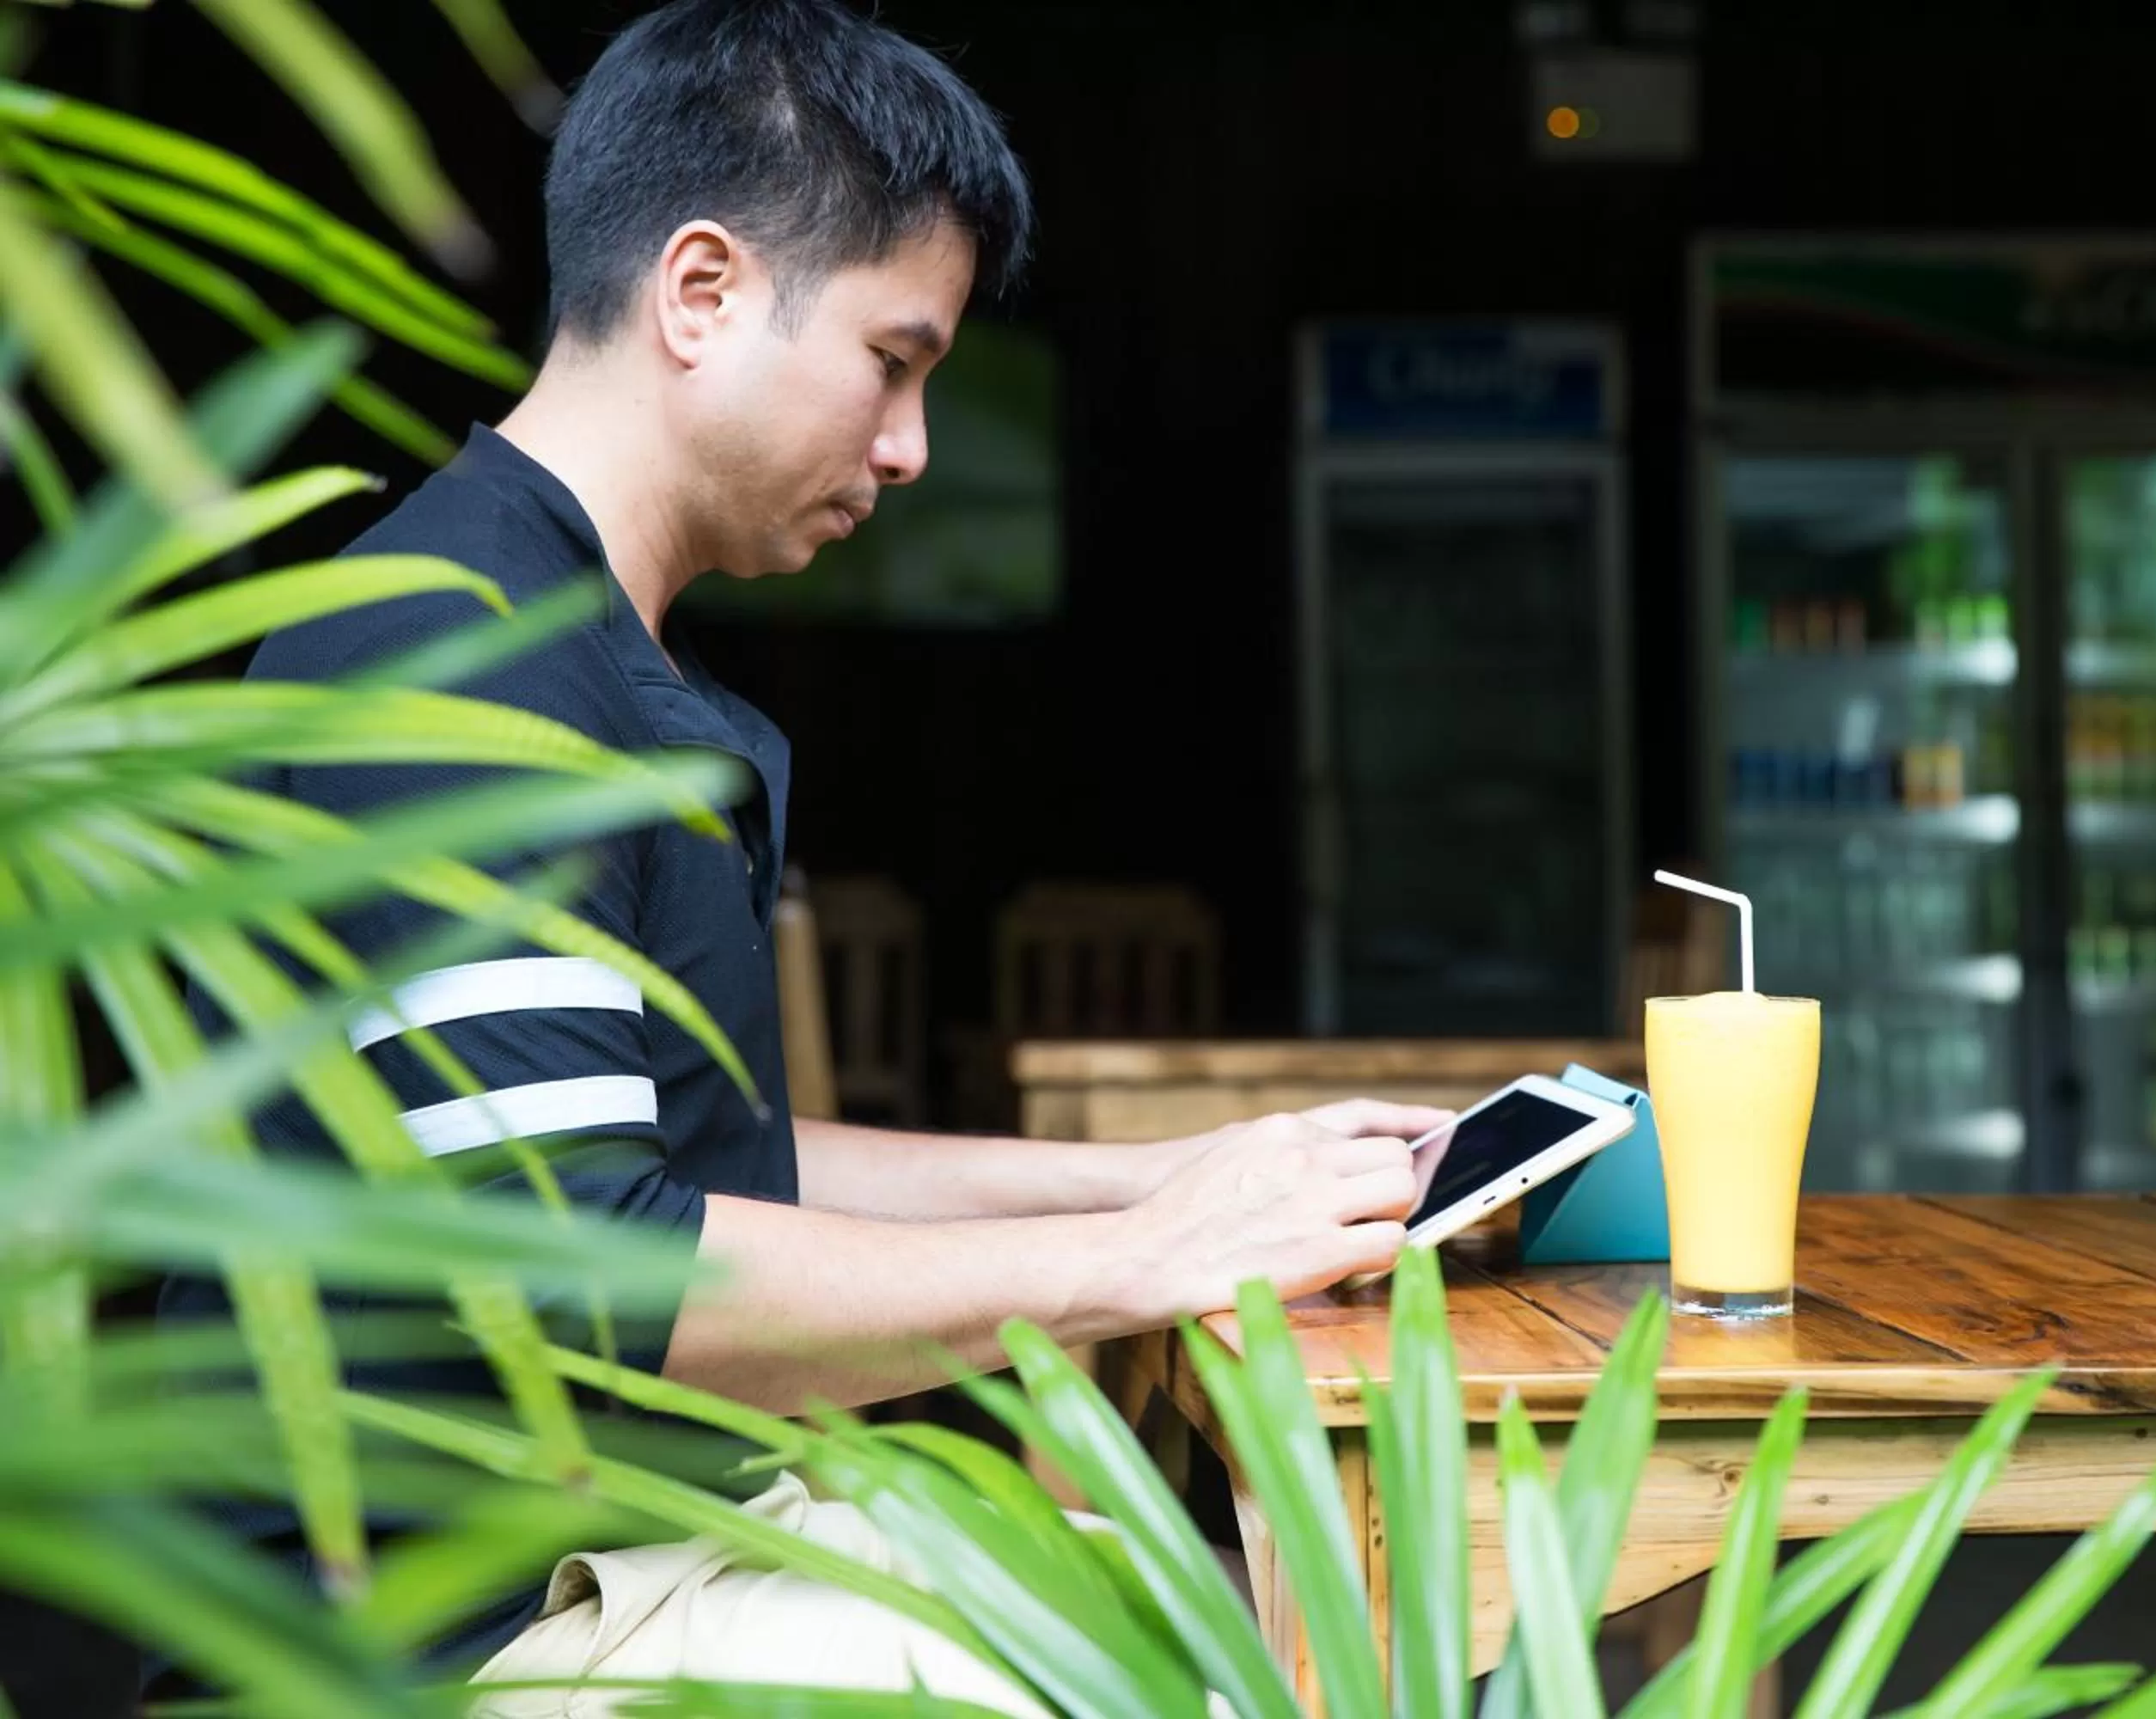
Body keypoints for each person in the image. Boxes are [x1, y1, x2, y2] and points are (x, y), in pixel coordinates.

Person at [158, 0, 1441, 1702]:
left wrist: (1192, 1176)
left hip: (658, 1538)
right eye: (893, 361)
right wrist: (1143, 1260)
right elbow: (597, 1271)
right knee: (1264, 1657)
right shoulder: (446, 663)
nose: (908, 445)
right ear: (703, 293)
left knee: (1303, 1601)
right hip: (455, 1631)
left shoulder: (560, 634)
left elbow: (709, 1165)